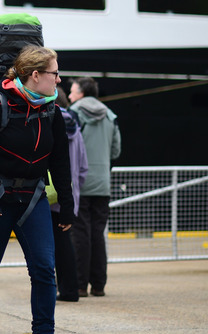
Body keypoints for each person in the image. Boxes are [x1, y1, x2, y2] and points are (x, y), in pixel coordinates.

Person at [0, 46, 74, 334]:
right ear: (36, 75)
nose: (59, 80)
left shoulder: (52, 112)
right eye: (54, 73)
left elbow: (60, 162)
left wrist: (67, 205)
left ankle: (44, 331)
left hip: (33, 201)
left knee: (45, 270)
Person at [68, 76, 121, 298]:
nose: (69, 95)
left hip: (80, 183)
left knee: (80, 234)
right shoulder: (110, 115)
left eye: (72, 91)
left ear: (81, 93)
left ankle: (80, 284)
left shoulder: (74, 112)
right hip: (103, 183)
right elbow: (116, 151)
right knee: (98, 233)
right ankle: (99, 285)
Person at [52, 88, 88, 302]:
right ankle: (70, 288)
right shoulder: (76, 128)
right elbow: (83, 167)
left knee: (49, 245)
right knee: (65, 241)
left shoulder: (48, 123)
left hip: (47, 194)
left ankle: (62, 289)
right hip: (69, 195)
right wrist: (75, 190)